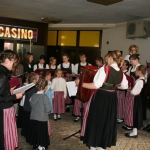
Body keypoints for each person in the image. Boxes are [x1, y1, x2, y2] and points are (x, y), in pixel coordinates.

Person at [75, 51, 128, 150]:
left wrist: (80, 84)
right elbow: (124, 86)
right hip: (112, 97)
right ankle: (102, 145)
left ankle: (92, 144)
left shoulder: (105, 68)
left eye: (107, 58)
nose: (106, 60)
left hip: (101, 96)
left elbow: (96, 85)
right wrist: (113, 85)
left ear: (111, 58)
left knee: (96, 119)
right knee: (107, 120)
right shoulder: (121, 72)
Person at [0, 50, 24, 150]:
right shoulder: (2, 74)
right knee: (5, 136)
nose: (14, 65)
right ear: (7, 60)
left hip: (5, 108)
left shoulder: (3, 72)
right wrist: (15, 97)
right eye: (14, 62)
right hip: (4, 109)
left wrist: (8, 91)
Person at [27, 78, 51, 150]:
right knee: (42, 132)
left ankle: (36, 143)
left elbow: (31, 104)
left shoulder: (33, 95)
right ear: (46, 87)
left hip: (34, 117)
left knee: (36, 131)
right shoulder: (45, 97)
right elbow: (48, 109)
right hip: (42, 118)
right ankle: (42, 145)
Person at [124, 65, 146, 138]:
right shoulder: (140, 80)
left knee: (135, 115)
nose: (135, 72)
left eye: (136, 70)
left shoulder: (140, 81)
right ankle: (134, 131)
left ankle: (134, 133)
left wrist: (130, 90)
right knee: (135, 115)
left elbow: (135, 92)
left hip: (136, 100)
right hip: (137, 99)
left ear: (139, 72)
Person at [73, 53, 92, 122]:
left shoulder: (89, 65)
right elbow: (75, 73)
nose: (82, 59)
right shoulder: (77, 65)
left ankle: (84, 115)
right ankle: (77, 114)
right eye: (81, 58)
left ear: (86, 58)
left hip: (86, 84)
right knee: (78, 98)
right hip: (79, 83)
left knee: (85, 98)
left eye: (83, 57)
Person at [21, 73, 39, 138]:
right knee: (28, 122)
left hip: (30, 107)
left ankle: (27, 132)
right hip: (29, 107)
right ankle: (27, 133)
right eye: (38, 79)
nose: (39, 80)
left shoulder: (34, 86)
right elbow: (32, 98)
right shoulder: (30, 87)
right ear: (34, 80)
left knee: (28, 121)